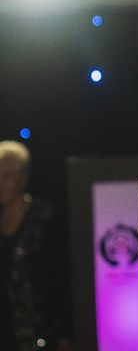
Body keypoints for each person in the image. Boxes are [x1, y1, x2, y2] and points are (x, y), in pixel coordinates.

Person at [0, 140, 72, 351]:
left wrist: (64, 334)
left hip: (41, 333)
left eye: (6, 176)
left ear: (22, 177)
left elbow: (60, 279)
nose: (1, 183)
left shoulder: (46, 218)